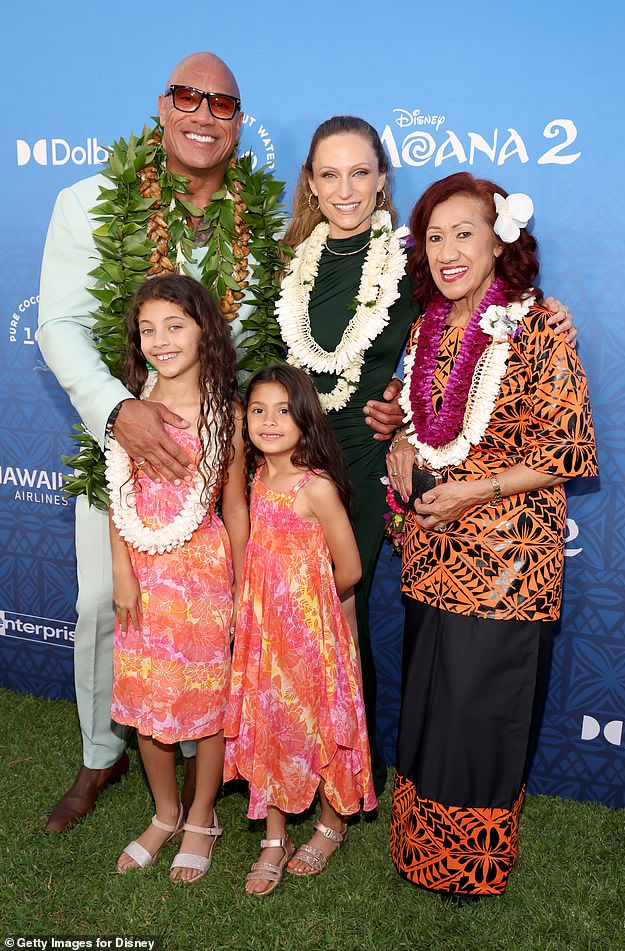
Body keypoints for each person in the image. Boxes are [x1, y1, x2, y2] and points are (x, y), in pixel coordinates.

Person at [275, 115, 577, 793]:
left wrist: (545, 310)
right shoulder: (294, 269)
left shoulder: (414, 271)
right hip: (338, 491)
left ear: (382, 179)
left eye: (361, 171)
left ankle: (349, 791)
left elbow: (547, 428)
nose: (345, 187)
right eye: (329, 172)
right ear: (311, 183)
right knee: (314, 634)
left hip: (448, 522)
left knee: (358, 632)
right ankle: (289, 775)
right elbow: (414, 394)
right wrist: (404, 429)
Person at [36, 51, 284, 832]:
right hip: (124, 451)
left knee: (217, 615)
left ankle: (221, 745)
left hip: (222, 452)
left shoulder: (267, 222)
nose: (203, 113)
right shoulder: (90, 200)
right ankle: (101, 750)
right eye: (187, 96)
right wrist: (119, 411)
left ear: (238, 123)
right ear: (161, 106)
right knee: (106, 604)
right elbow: (62, 325)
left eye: (221, 102)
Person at [387, 172, 597, 902]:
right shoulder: (428, 327)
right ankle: (418, 849)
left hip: (507, 563)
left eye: (464, 232)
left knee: (479, 714)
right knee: (432, 708)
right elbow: (424, 423)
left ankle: (468, 865)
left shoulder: (540, 323)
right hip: (431, 554)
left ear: (500, 238)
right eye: (435, 236)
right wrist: (406, 447)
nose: (448, 251)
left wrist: (476, 489)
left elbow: (567, 448)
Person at [108, 274, 248, 882]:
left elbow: (236, 507)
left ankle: (201, 816)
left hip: (203, 572)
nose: (160, 340)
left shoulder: (228, 413)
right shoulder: (130, 407)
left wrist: (243, 588)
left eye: (175, 325)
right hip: (141, 569)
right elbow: (117, 493)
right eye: (147, 330)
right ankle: (164, 813)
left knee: (206, 703)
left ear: (203, 330)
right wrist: (122, 570)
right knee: (146, 700)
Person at [224, 364, 377, 896]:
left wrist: (305, 612)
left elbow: (351, 570)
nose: (268, 421)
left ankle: (332, 824)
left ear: (305, 418)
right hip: (266, 639)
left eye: (282, 411)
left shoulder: (317, 488)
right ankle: (273, 837)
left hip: (314, 639)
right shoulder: (257, 478)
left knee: (322, 723)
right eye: (258, 411)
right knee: (268, 722)